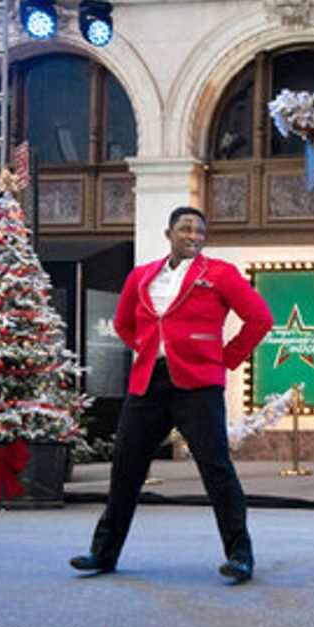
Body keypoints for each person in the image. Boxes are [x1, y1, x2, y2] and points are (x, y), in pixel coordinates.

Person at [70, 206, 272, 583]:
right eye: (186, 229)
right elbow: (123, 323)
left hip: (199, 385)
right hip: (147, 384)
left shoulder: (220, 274)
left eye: (200, 231)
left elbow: (260, 318)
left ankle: (240, 556)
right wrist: (150, 349)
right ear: (169, 234)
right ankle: (103, 553)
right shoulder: (141, 276)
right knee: (125, 470)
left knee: (216, 469)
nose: (194, 236)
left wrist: (226, 357)